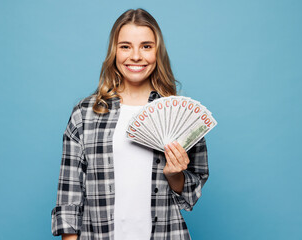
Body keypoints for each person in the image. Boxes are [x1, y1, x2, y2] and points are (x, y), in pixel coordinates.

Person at [51, 8, 209, 240]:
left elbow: (192, 192)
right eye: (125, 46)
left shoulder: (179, 114)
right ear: (114, 52)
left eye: (146, 46)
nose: (136, 56)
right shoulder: (84, 115)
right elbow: (69, 197)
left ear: (158, 52)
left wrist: (175, 175)